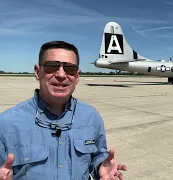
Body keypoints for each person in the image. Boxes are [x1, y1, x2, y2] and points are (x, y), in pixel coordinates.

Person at [0, 41, 127, 180]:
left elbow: (97, 155)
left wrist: (100, 167)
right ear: (37, 72)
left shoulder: (91, 117)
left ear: (77, 76)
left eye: (70, 69)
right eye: (51, 66)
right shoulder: (6, 123)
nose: (61, 74)